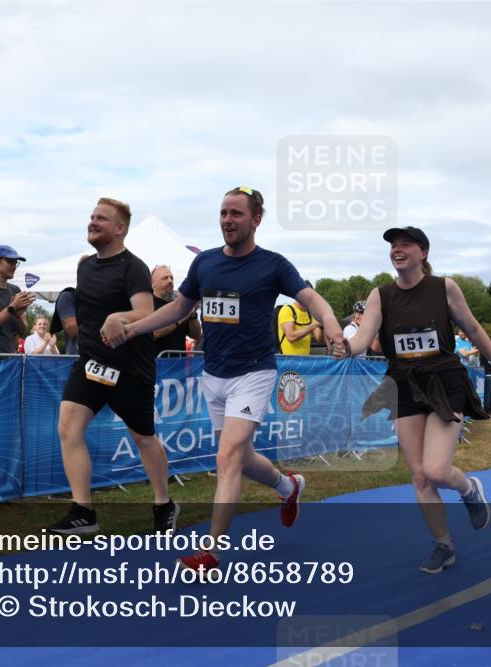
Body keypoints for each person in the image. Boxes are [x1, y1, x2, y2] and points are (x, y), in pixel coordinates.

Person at [118, 186, 344, 574]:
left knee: (226, 456)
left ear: (256, 219)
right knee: (240, 456)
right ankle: (289, 488)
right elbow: (177, 308)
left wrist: (333, 325)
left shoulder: (273, 265)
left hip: (253, 373)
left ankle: (211, 553)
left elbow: (311, 299)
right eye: (223, 212)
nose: (228, 220)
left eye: (237, 214)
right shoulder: (204, 263)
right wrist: (135, 328)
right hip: (214, 375)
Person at [336, 226, 491, 573]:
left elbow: (476, 330)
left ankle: (469, 490)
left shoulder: (444, 288)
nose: (397, 249)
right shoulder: (381, 295)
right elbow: (362, 339)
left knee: (436, 469)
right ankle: (443, 545)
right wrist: (346, 347)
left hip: (443, 381)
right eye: (393, 245)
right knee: (420, 476)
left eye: (405, 244)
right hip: (404, 383)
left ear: (423, 253)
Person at [48, 198, 177, 535]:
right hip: (90, 364)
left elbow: (146, 313)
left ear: (120, 228)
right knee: (68, 428)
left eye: (101, 219)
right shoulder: (85, 267)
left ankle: (164, 503)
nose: (93, 222)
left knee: (144, 438)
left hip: (130, 369)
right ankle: (83, 512)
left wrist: (117, 317)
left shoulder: (132, 266)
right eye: (91, 216)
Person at [151, 265, 201, 355]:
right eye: (165, 278)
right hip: (155, 365)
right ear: (153, 283)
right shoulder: (148, 304)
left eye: (171, 278)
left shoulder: (178, 305)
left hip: (178, 365)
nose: (170, 281)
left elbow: (196, 335)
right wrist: (181, 318)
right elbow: (152, 334)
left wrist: (193, 315)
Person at [278, 281, 323, 355]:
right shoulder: (287, 310)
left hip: (305, 361)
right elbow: (291, 337)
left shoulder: (310, 313)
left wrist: (324, 323)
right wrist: (313, 325)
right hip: (289, 361)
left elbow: (319, 338)